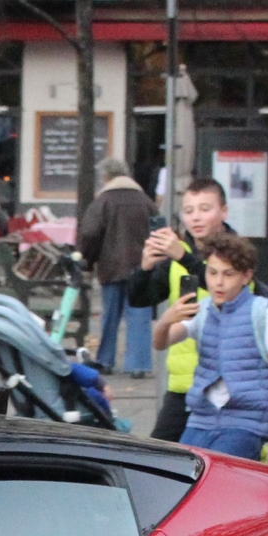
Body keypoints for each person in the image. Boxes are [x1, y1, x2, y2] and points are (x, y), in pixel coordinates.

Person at [155, 231, 268, 464]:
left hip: (247, 420)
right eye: (212, 273)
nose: (218, 282)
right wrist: (166, 320)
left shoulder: (262, 314)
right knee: (184, 473)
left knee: (216, 470)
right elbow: (161, 342)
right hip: (202, 417)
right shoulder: (203, 310)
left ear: (246, 276)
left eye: (228, 275)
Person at [130, 177, 232, 443]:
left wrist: (184, 259)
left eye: (205, 209)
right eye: (189, 211)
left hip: (227, 382)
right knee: (157, 457)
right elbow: (139, 299)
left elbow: (239, 296)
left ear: (224, 211)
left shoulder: (238, 252)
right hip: (182, 383)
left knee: (228, 458)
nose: (196, 218)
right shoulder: (176, 255)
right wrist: (144, 269)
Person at [76, 156, 155, 377]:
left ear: (106, 177)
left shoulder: (103, 201)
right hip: (142, 268)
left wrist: (86, 260)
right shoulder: (145, 201)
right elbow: (159, 230)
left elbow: (90, 233)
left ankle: (106, 360)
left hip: (110, 268)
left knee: (110, 316)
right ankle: (138, 364)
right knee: (139, 315)